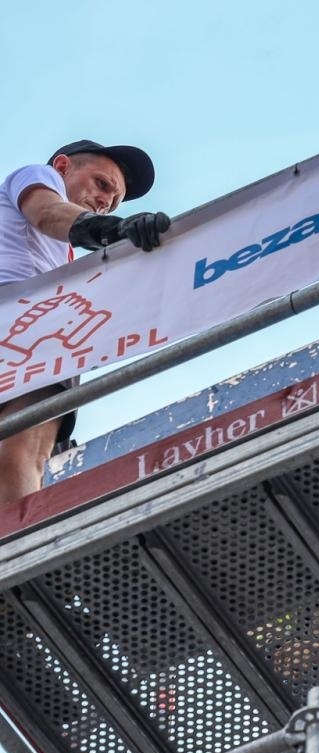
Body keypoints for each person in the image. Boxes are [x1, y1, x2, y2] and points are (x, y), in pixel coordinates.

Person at [0, 139, 171, 504]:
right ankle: (18, 549)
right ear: (63, 167)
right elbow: (48, 212)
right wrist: (112, 228)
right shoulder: (39, 176)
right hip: (30, 328)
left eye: (116, 200)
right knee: (22, 449)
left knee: (27, 449)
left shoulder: (59, 255)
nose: (107, 201)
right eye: (102, 184)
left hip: (28, 326)